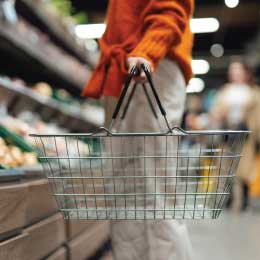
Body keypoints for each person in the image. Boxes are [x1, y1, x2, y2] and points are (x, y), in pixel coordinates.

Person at [83, 1, 194, 259]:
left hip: (149, 66)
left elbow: (172, 7)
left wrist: (149, 50)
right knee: (127, 195)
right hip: (128, 69)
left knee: (152, 195)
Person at [213, 61, 260, 211]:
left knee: (244, 168)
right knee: (226, 167)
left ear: (245, 72)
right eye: (232, 69)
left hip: (246, 134)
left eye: (238, 69)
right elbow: (216, 110)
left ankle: (244, 201)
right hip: (228, 133)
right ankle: (227, 200)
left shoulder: (253, 92)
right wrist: (219, 114)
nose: (235, 72)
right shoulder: (225, 91)